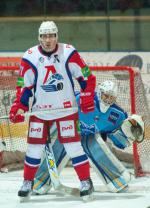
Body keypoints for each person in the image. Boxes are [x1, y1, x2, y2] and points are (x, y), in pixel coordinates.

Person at [9, 21, 96, 200]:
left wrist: (87, 95)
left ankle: (86, 181)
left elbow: (87, 77)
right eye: (44, 36)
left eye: (51, 35)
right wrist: (20, 106)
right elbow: (25, 88)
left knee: (73, 147)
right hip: (40, 112)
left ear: (57, 36)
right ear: (39, 37)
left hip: (66, 109)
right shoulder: (30, 56)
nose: (48, 40)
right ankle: (27, 182)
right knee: (33, 148)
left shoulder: (69, 52)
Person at [33, 80, 145, 194]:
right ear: (100, 93)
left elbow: (117, 134)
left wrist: (129, 132)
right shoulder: (81, 100)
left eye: (111, 97)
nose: (108, 100)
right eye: (106, 95)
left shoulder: (117, 114)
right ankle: (39, 181)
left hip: (89, 136)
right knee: (57, 149)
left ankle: (117, 179)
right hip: (70, 131)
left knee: (97, 149)